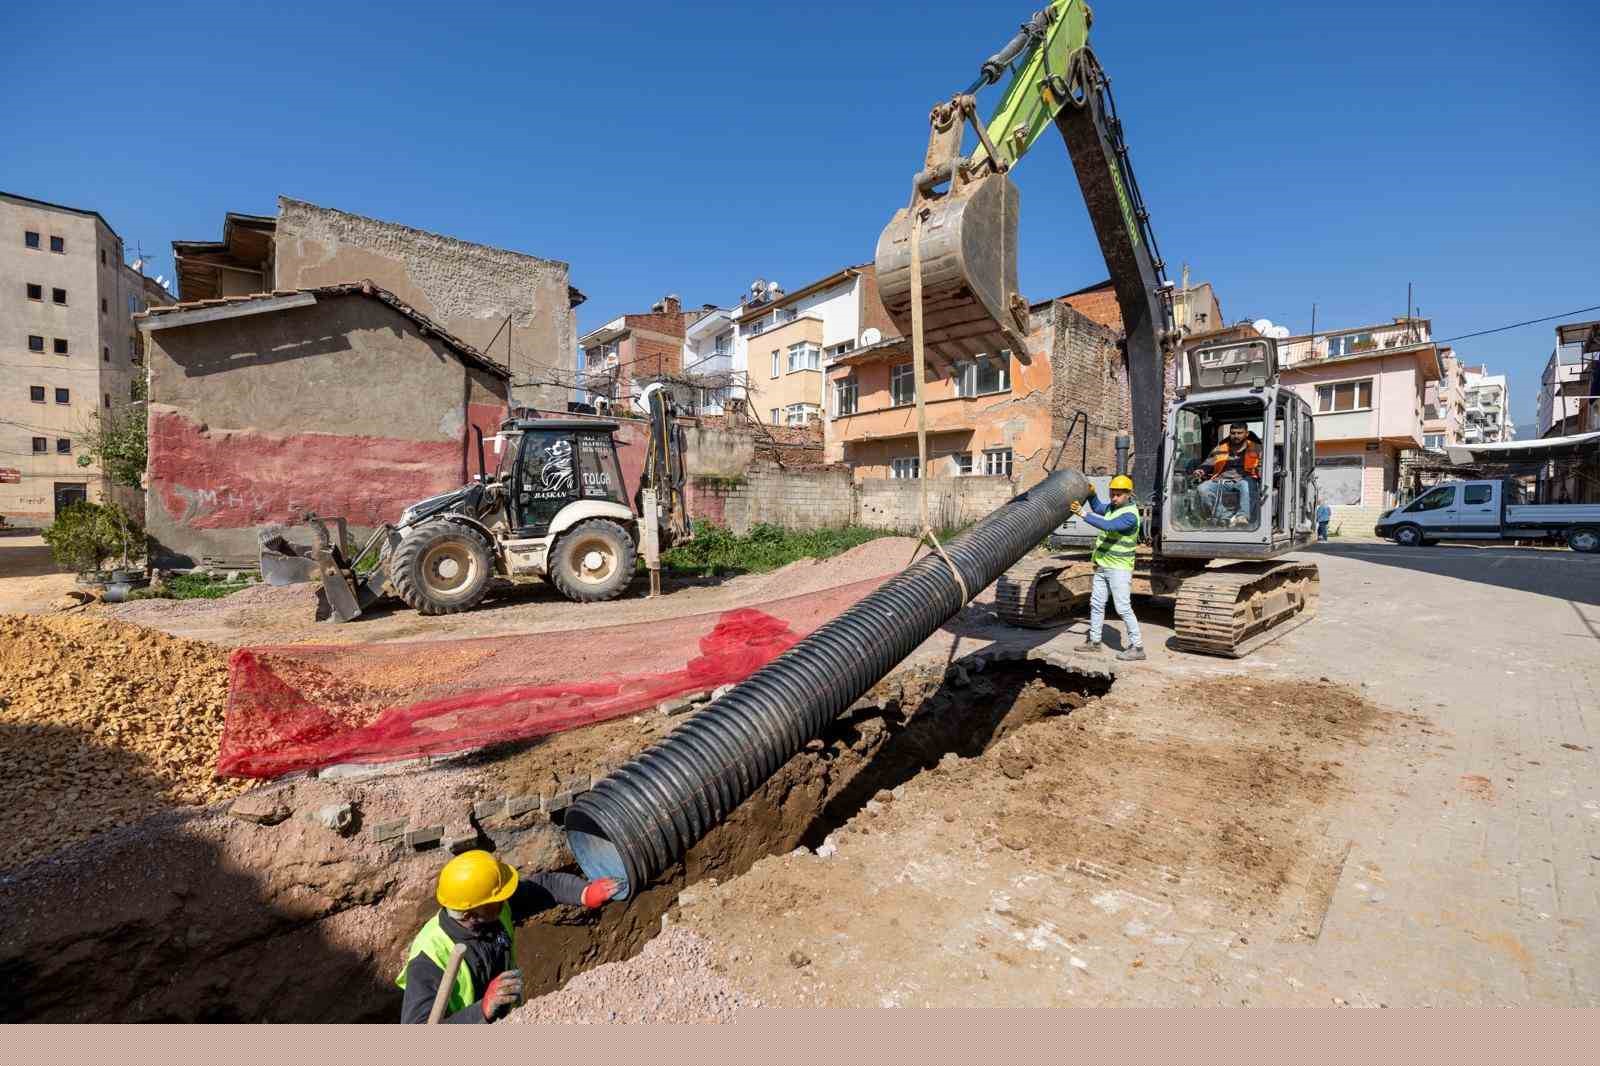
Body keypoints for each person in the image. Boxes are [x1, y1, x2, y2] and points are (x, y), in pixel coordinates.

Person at [397, 849, 620, 1023]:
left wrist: (584, 892)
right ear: (470, 912)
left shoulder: (493, 909)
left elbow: (545, 886)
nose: (506, 899)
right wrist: (482, 1009)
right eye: (497, 899)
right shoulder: (430, 957)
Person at [1071, 474, 1146, 661]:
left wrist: (1083, 514)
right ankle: (1095, 642)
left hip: (1119, 568)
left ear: (1129, 494)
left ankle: (1137, 647)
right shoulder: (1113, 507)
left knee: (1122, 608)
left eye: (1118, 495)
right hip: (1103, 565)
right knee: (1096, 604)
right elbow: (1098, 507)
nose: (1114, 498)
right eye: (1112, 494)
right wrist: (1091, 495)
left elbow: (1109, 525)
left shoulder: (1130, 515)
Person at [1192, 422, 1262, 526]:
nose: (1236, 436)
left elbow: (1264, 464)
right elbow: (1208, 463)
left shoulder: (1256, 448)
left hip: (1244, 479)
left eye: (1239, 433)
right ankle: (1225, 517)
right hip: (1221, 480)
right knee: (1202, 488)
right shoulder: (1221, 449)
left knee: (1246, 485)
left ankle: (1242, 517)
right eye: (1233, 433)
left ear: (1246, 434)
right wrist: (1201, 470)